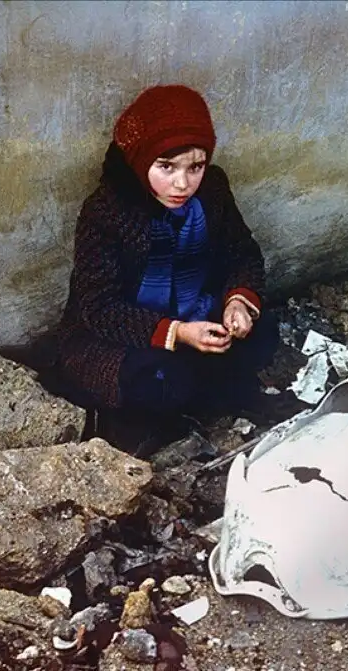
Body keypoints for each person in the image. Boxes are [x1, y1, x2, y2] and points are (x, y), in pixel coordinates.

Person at [56, 84, 279, 425]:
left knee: (263, 333)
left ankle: (202, 389)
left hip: (196, 311)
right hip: (121, 335)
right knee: (158, 382)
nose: (182, 184)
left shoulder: (212, 191)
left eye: (196, 167)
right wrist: (178, 333)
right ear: (142, 160)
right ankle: (189, 397)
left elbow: (242, 254)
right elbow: (99, 308)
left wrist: (237, 304)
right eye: (166, 167)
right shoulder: (107, 211)